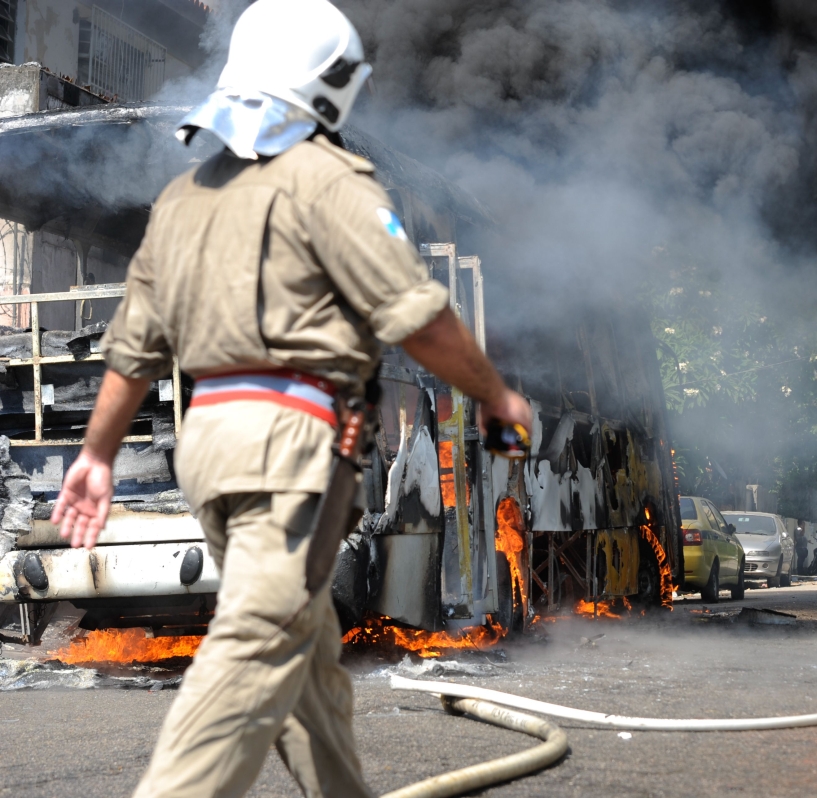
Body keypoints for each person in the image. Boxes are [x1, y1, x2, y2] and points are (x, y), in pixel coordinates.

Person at [50, 2, 533, 795]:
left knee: (305, 664)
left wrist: (96, 455)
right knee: (252, 646)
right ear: (331, 86)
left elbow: (134, 349)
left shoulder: (183, 201)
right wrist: (495, 394)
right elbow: (416, 312)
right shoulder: (328, 179)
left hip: (208, 446)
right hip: (293, 449)